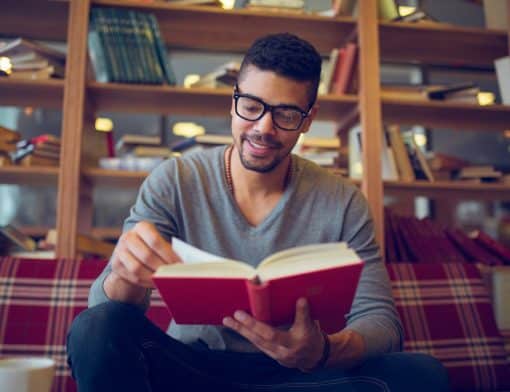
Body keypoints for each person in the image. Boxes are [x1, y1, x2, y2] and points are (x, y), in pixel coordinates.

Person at [67, 33, 450, 391]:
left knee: (422, 375)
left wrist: (324, 351)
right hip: (192, 369)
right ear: (232, 100)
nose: (262, 128)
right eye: (251, 107)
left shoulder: (343, 201)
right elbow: (104, 316)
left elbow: (383, 323)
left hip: (298, 376)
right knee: (95, 328)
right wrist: (124, 275)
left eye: (285, 114)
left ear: (308, 119)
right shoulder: (175, 179)